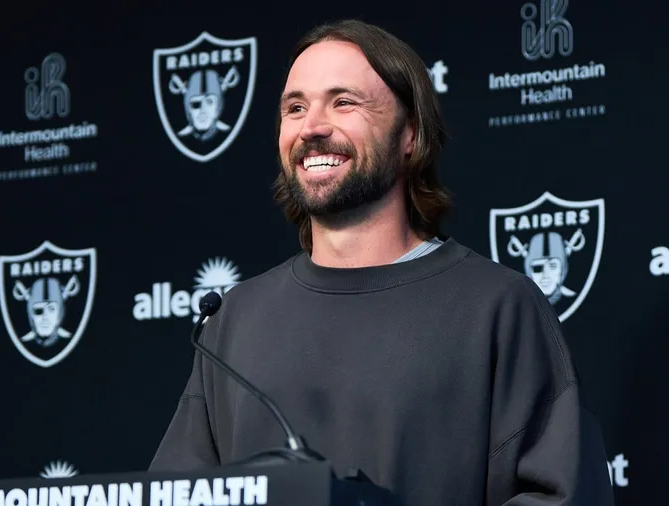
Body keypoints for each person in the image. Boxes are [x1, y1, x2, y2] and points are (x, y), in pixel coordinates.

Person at [149, 19, 616, 506]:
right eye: (295, 108)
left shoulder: (498, 307)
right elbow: (178, 495)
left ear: (410, 134)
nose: (312, 127)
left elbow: (563, 496)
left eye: (344, 102)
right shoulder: (235, 319)